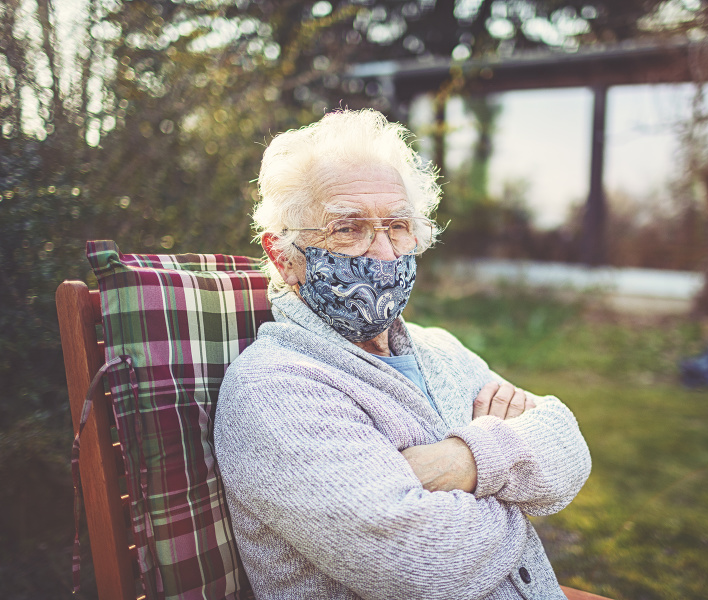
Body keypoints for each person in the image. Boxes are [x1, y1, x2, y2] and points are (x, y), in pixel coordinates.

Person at [214, 108, 591, 600]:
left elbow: (568, 447)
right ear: (285, 256)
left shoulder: (441, 350)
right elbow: (423, 564)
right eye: (347, 228)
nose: (385, 251)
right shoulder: (273, 389)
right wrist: (515, 489)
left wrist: (465, 461)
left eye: (398, 225)